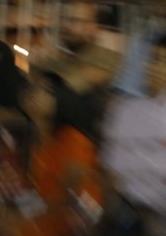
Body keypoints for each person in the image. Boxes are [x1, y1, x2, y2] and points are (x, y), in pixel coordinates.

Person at [101, 34, 166, 233]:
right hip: (125, 208)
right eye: (155, 59)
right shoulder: (122, 110)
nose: (159, 68)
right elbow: (111, 168)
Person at [14, 71, 103, 236]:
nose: (33, 92)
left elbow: (74, 198)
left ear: (60, 99)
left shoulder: (73, 140)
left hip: (69, 223)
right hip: (38, 218)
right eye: (31, 87)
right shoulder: (30, 141)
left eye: (45, 89)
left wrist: (24, 217)